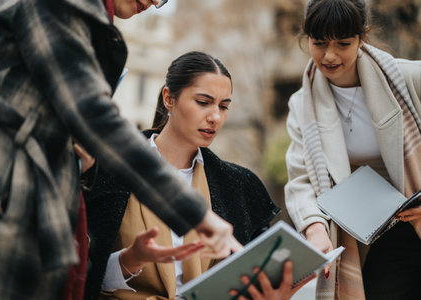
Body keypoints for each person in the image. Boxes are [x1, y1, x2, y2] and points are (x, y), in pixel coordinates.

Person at [0, 1, 241, 300]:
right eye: (203, 102)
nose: (155, 2)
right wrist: (196, 215)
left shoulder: (91, 25)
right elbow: (95, 115)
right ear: (169, 98)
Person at [77, 51, 315, 300]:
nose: (215, 117)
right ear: (169, 98)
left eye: (224, 107)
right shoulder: (106, 167)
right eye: (203, 102)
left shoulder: (240, 185)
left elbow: (258, 277)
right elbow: (77, 274)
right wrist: (130, 260)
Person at [284, 0, 421, 299]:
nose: (329, 55)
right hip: (381, 233)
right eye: (319, 43)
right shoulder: (301, 106)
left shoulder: (410, 78)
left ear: (363, 36)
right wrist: (315, 228)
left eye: (343, 43)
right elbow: (300, 179)